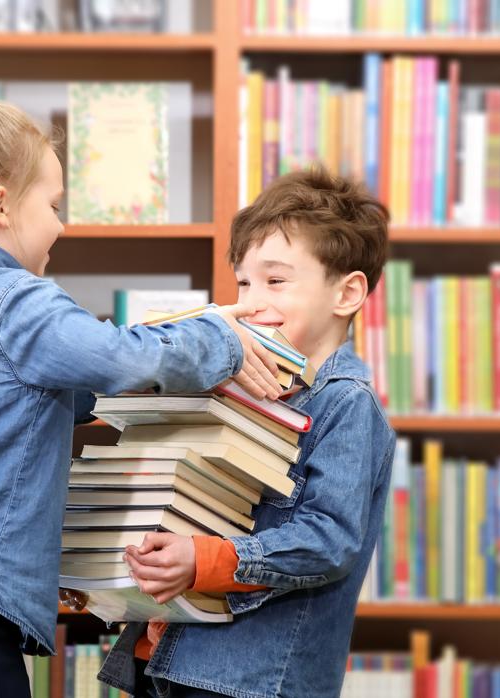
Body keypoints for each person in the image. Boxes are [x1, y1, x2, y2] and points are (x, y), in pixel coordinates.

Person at [0, 73, 281, 698]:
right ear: (0, 206)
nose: (62, 227)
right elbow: (116, 359)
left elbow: (46, 397)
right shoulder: (14, 302)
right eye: (53, 207)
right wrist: (221, 339)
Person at [85, 168, 395, 698]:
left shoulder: (346, 403)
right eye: (244, 282)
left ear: (347, 293)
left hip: (251, 680)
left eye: (276, 281)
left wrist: (203, 559)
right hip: (169, 662)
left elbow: (328, 540)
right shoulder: (237, 389)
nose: (251, 302)